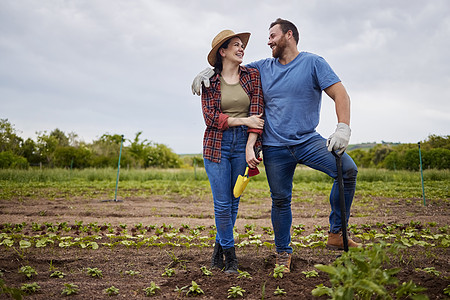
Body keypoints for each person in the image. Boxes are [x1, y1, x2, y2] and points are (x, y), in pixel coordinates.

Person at [192, 18, 359, 273]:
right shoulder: (262, 68)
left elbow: (340, 94)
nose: (268, 41)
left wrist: (343, 127)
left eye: (272, 36)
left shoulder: (314, 63)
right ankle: (283, 252)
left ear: (288, 35)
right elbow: (232, 71)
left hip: (307, 140)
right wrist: (209, 70)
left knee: (347, 170)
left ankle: (337, 232)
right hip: (274, 147)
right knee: (280, 200)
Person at [200, 29, 264, 274]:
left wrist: (251, 146)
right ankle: (231, 257)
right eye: (235, 45)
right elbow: (210, 118)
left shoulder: (252, 76)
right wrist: (244, 121)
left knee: (234, 201)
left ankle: (218, 249)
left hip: (244, 144)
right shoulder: (210, 81)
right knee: (222, 203)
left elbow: (258, 115)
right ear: (222, 52)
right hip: (216, 145)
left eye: (242, 45)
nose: (241, 49)